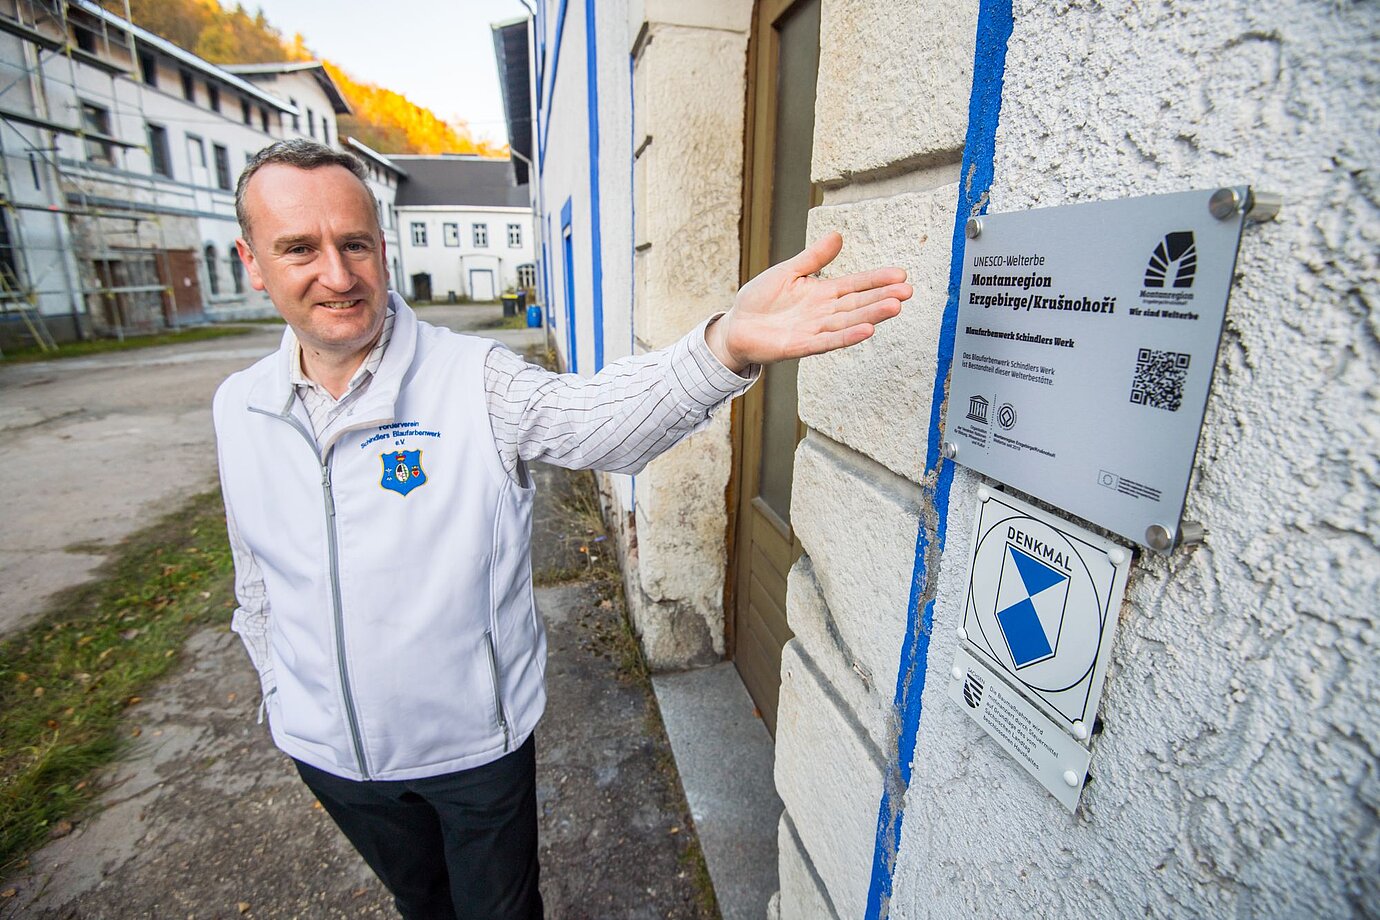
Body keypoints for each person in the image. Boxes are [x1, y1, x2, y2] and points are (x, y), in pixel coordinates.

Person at [213, 139, 910, 920]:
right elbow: (256, 576)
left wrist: (723, 346)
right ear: (252, 261)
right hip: (331, 758)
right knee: (420, 902)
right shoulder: (238, 407)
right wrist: (285, 698)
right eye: (300, 248)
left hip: (472, 752)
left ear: (381, 245)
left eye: (355, 244)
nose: (337, 276)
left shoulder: (471, 379)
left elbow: (598, 423)